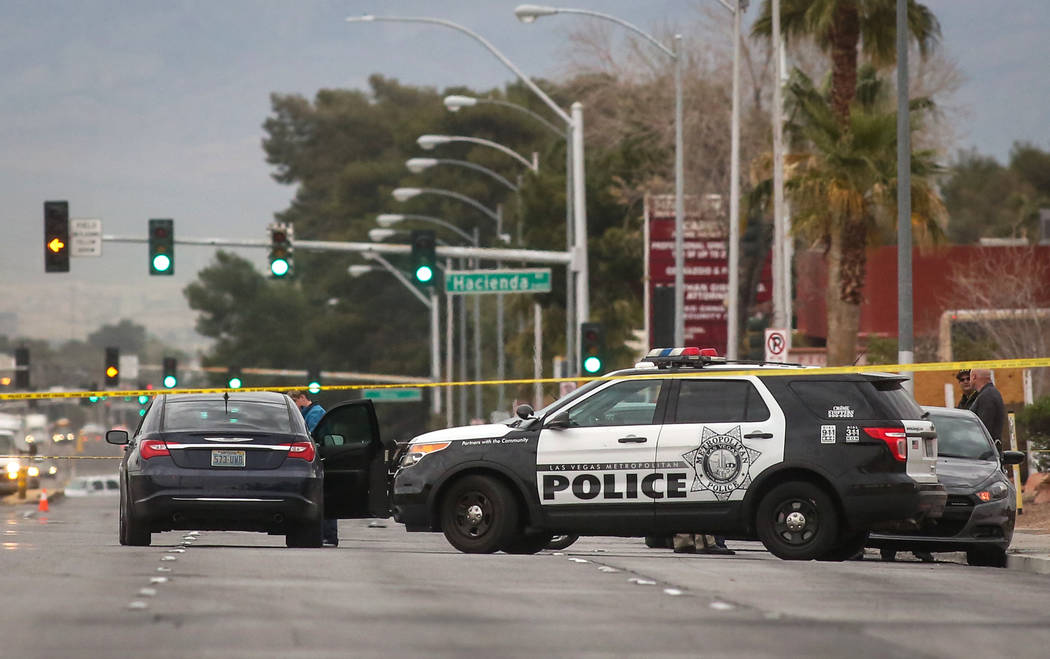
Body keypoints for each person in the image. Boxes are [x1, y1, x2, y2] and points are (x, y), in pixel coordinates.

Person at [287, 389, 336, 546]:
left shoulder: (314, 413)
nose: (295, 407)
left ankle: (328, 535)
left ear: (302, 398)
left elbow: (311, 436)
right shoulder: (309, 412)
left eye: (294, 402)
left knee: (322, 497)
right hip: (318, 457)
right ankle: (325, 535)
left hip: (321, 458)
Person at [968, 369, 1006, 444]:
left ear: (974, 377)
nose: (969, 381)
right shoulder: (990, 393)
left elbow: (984, 427)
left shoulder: (987, 396)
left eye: (969, 378)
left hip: (985, 450)